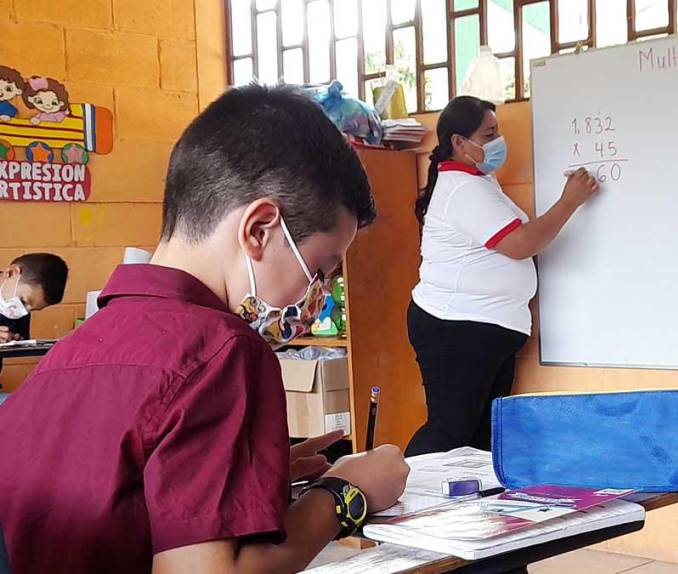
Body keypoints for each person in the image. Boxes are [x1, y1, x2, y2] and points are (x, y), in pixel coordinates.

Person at [0, 85, 410, 574]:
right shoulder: (223, 349)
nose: (317, 294)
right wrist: (346, 494)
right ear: (260, 229)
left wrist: (251, 479)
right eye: (320, 268)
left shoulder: (71, 350)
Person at [406, 96, 599, 456]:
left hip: (484, 329)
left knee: (480, 440)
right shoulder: (463, 189)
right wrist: (570, 201)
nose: (498, 142)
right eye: (489, 133)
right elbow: (521, 243)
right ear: (459, 143)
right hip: (455, 326)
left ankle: (466, 511)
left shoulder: (479, 181)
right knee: (449, 433)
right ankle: (406, 498)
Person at [0, 252, 68, 381]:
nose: (24, 312)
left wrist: (13, 340)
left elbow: (16, 344)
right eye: (23, 301)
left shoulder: (21, 311)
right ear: (12, 273)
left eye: (33, 310)